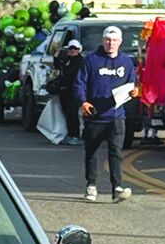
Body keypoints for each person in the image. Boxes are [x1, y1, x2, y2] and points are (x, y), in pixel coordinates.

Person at [75, 24, 135, 202]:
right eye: (108, 40)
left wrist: (135, 91)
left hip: (116, 115)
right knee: (91, 152)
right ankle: (91, 185)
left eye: (115, 40)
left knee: (115, 152)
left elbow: (132, 82)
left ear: (120, 42)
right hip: (95, 115)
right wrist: (83, 101)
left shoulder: (127, 61)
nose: (111, 43)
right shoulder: (91, 60)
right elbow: (79, 83)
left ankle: (117, 188)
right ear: (103, 41)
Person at [53, 38, 84, 145]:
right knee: (67, 113)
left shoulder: (80, 62)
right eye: (71, 48)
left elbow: (75, 77)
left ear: (79, 50)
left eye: (75, 48)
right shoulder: (67, 60)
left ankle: (75, 136)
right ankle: (70, 134)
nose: (73, 50)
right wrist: (56, 57)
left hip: (73, 91)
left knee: (73, 113)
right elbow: (58, 67)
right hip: (64, 91)